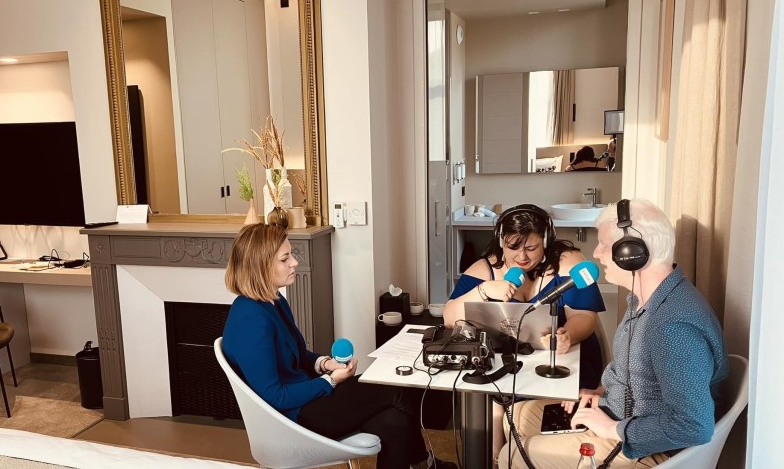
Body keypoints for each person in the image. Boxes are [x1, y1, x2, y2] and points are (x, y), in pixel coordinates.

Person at [499, 199, 728, 469]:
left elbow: (693, 426)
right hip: (619, 413)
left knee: (511, 455)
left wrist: (611, 428)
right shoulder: (645, 300)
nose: (596, 253)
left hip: (646, 448)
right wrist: (602, 393)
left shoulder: (673, 326)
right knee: (517, 416)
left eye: (604, 245)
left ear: (631, 252)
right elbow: (641, 377)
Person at [222, 224, 455, 469]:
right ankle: (425, 464)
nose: (294, 262)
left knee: (395, 422)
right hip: (293, 416)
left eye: (291, 255)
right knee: (395, 390)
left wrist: (324, 364)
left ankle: (423, 464)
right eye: (285, 258)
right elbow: (275, 396)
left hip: (306, 398)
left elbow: (297, 354)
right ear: (259, 266)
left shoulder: (273, 301)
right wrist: (330, 381)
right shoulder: (251, 318)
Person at [443, 204, 606, 463]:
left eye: (531, 248)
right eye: (513, 247)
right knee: (490, 400)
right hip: (508, 366)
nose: (522, 256)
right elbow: (449, 318)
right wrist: (483, 290)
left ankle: (524, 457)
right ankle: (498, 458)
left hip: (562, 364)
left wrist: (567, 335)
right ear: (501, 242)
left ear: (546, 241)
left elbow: (585, 317)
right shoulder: (486, 268)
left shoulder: (568, 262)